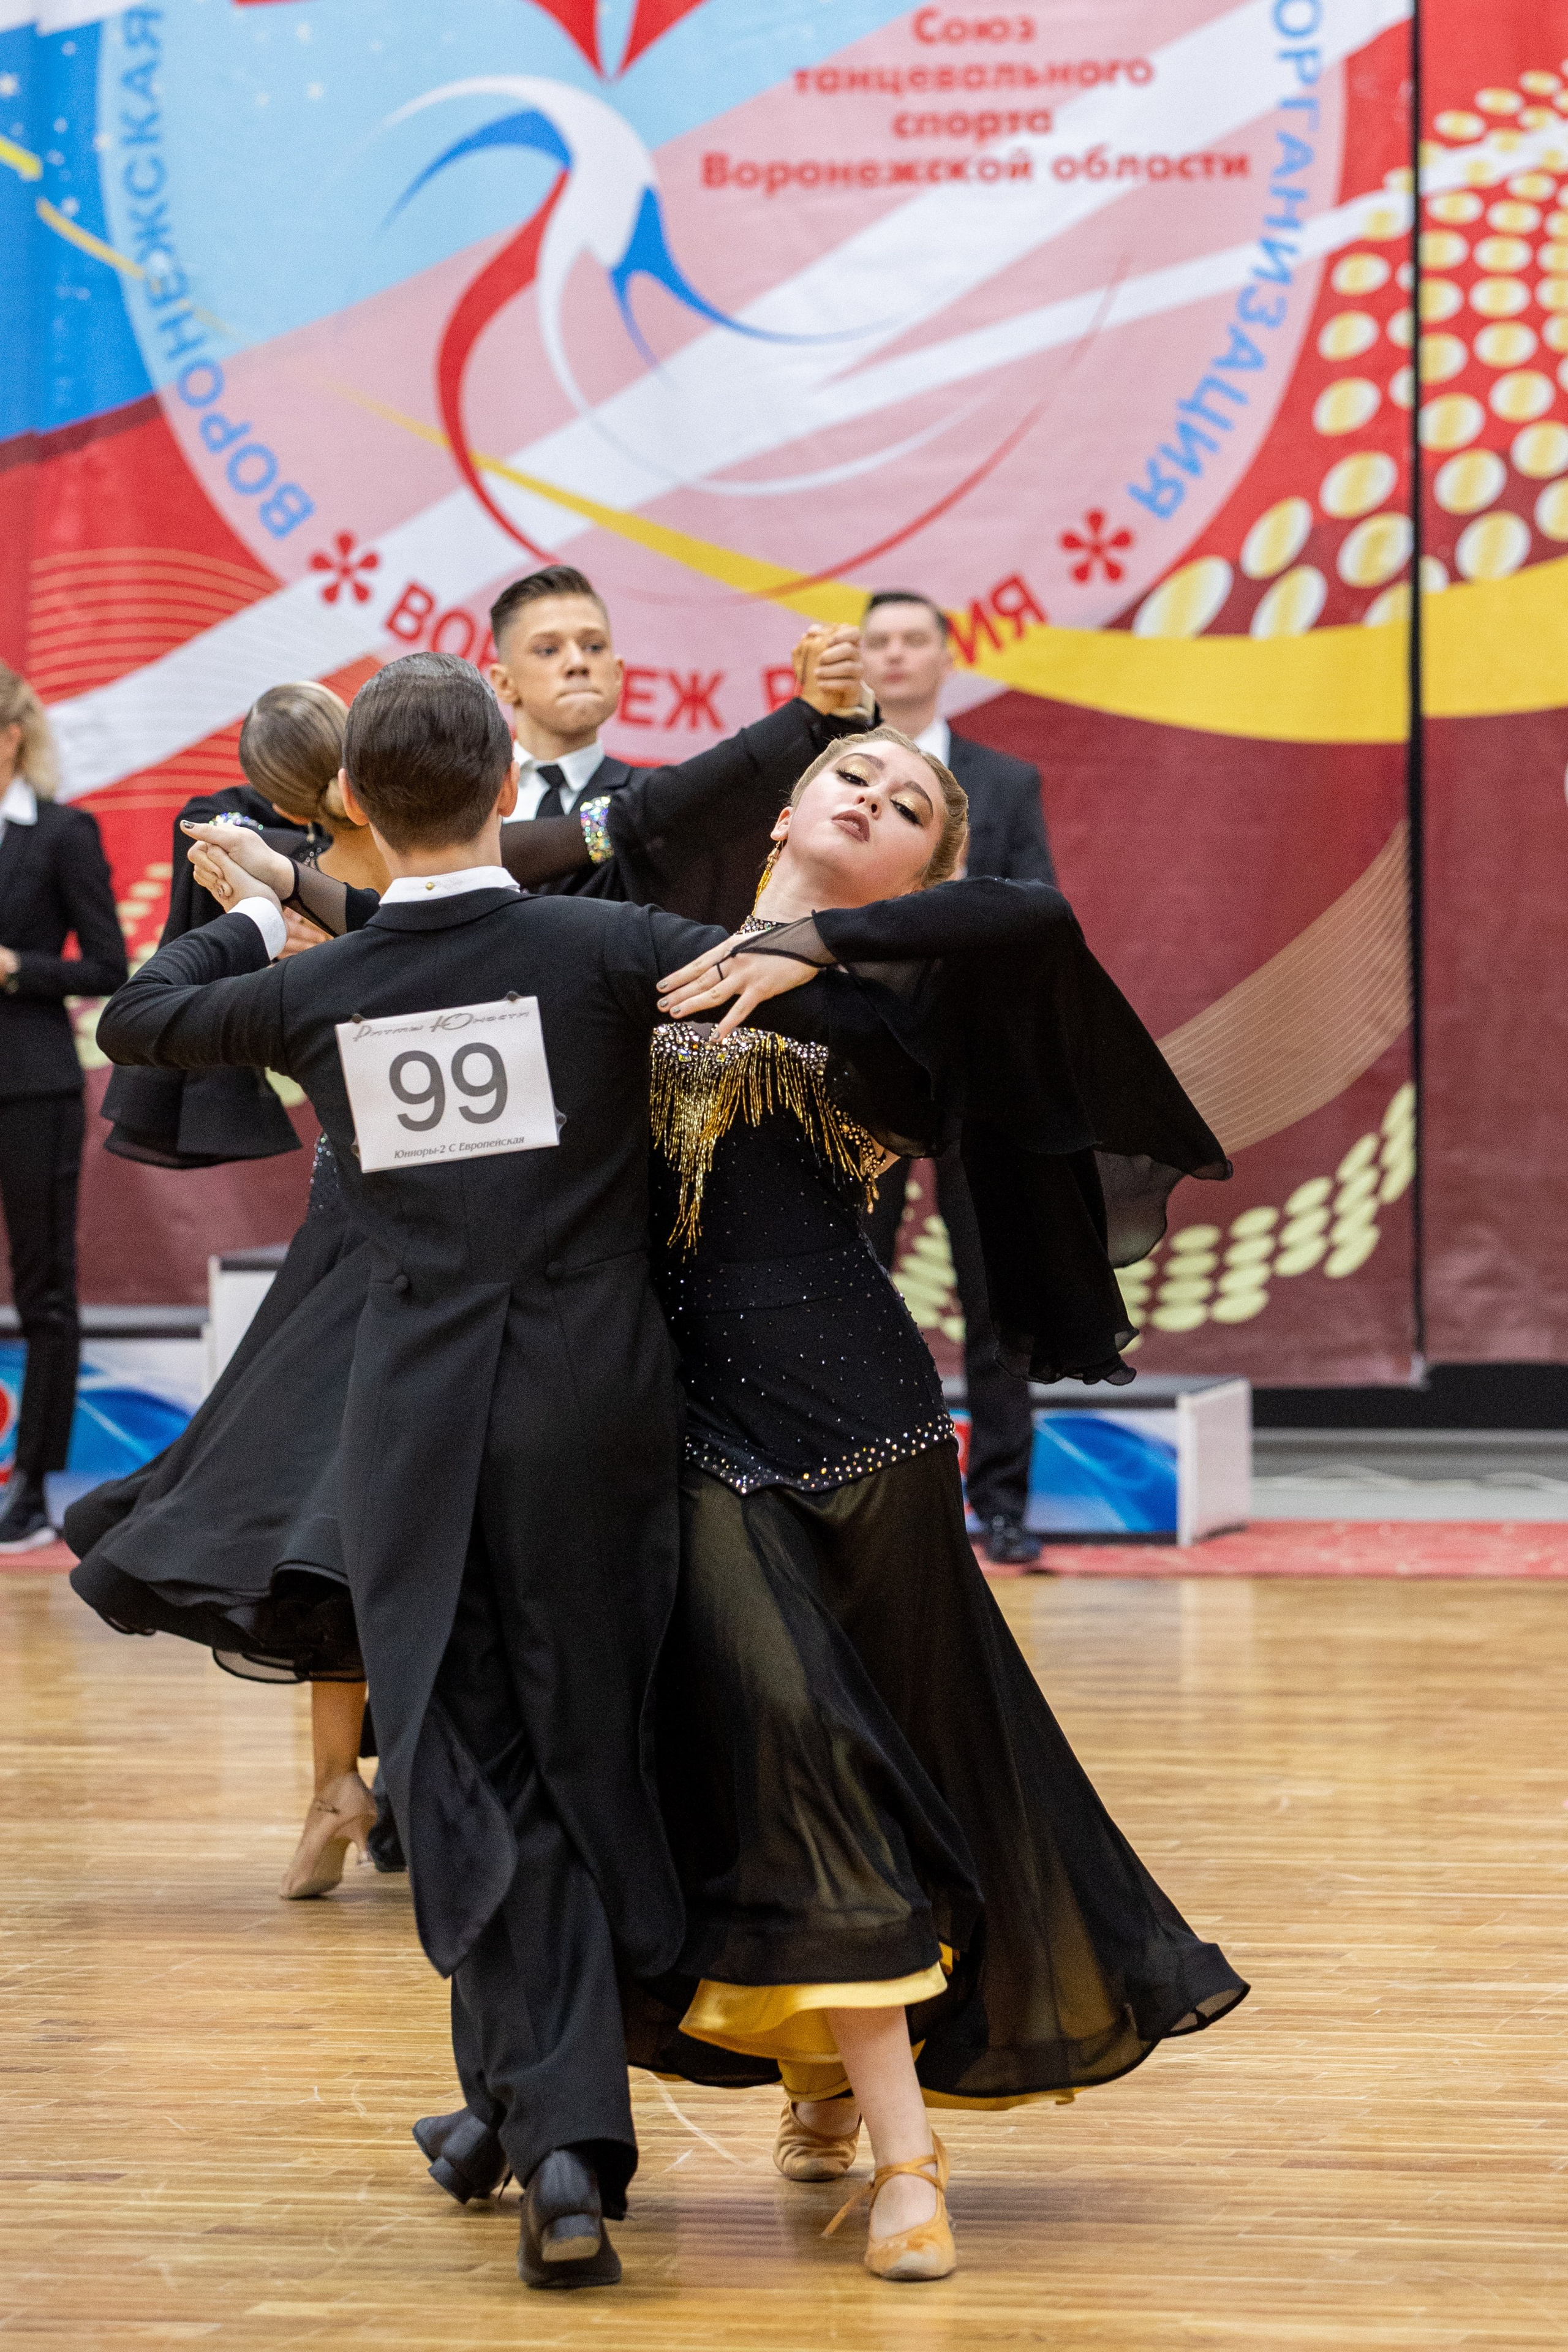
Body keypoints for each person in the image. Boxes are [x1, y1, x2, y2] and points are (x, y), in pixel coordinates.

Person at [400, 728, 1244, 2283]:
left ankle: (819, 2079)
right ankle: (901, 2146)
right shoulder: (640, 955)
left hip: (865, 1438)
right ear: (782, 805)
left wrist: (816, 944)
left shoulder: (897, 1002)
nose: (870, 796)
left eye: (908, 805)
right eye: (849, 776)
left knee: (890, 1760)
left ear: (922, 865)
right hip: (677, 1437)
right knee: (795, 1753)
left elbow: (1037, 924)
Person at [90, 648, 842, 2293]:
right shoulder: (600, 946)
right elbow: (780, 971)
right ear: (511, 789)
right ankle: (527, 2119)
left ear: (351, 802)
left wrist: (256, 897)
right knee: (581, 1740)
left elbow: (142, 1019)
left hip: (420, 1423)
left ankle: (554, 2126)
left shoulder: (322, 988)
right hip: (601, 1411)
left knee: (468, 1769)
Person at [859, 590, 1054, 1567]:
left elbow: (1039, 916)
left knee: (998, 1294)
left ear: (947, 656)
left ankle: (1006, 1503)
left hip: (979, 1072)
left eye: (913, 640)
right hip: (867, 1062)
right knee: (852, 1277)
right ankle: (857, 1488)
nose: (896, 657)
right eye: (878, 642)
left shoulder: (1005, 783)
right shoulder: (837, 779)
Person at [0, 664, 127, 1551]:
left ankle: (34, 1489)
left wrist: (16, 968)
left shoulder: (62, 833)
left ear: (11, 735)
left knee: (45, 1287)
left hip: (31, 1080)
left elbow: (109, 965)